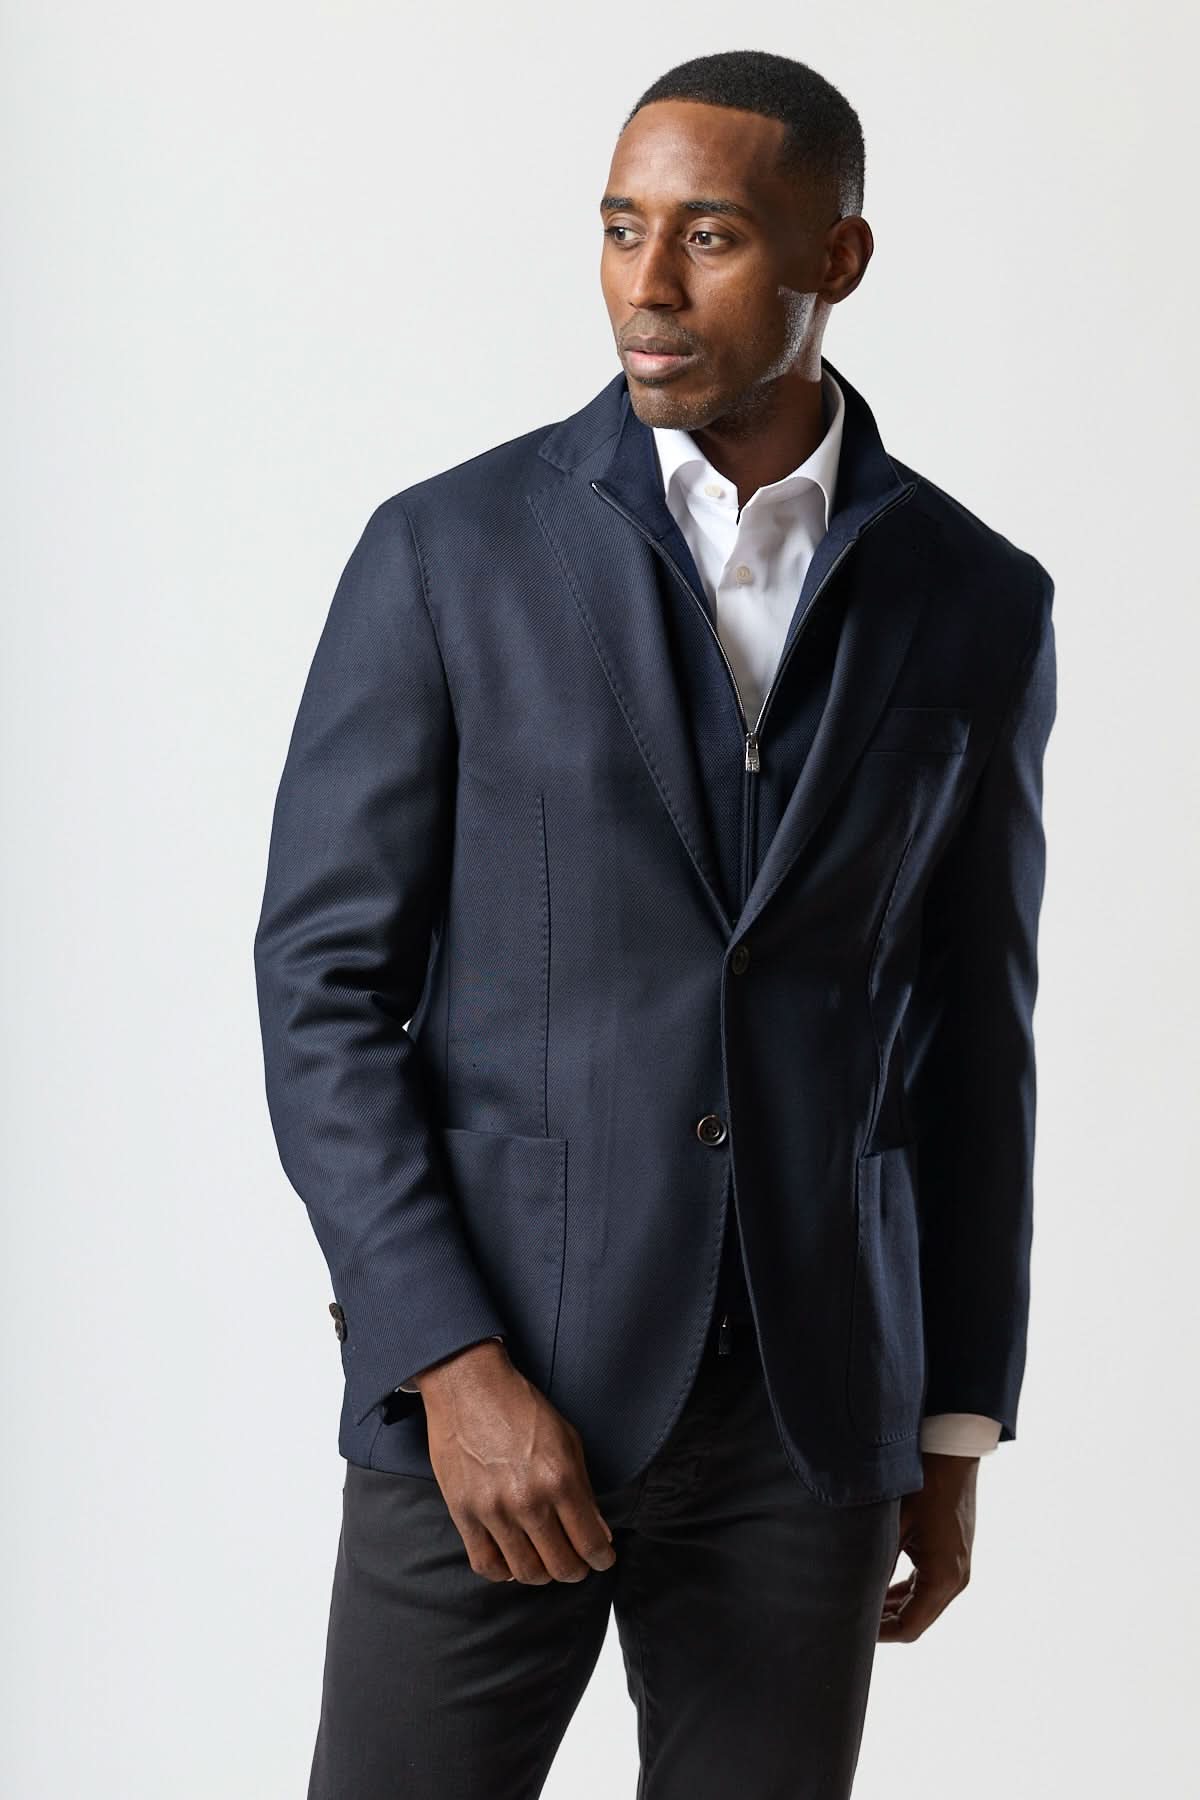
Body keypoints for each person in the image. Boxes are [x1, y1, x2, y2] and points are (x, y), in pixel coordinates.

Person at [253, 47, 1057, 1800]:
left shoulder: (977, 598)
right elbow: (320, 987)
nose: (648, 285)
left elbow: (973, 1042)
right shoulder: (448, 552)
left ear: (837, 259)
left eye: (710, 236)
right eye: (623, 229)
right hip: (493, 1403)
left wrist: (951, 1422)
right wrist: (446, 1359)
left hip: (806, 1425)